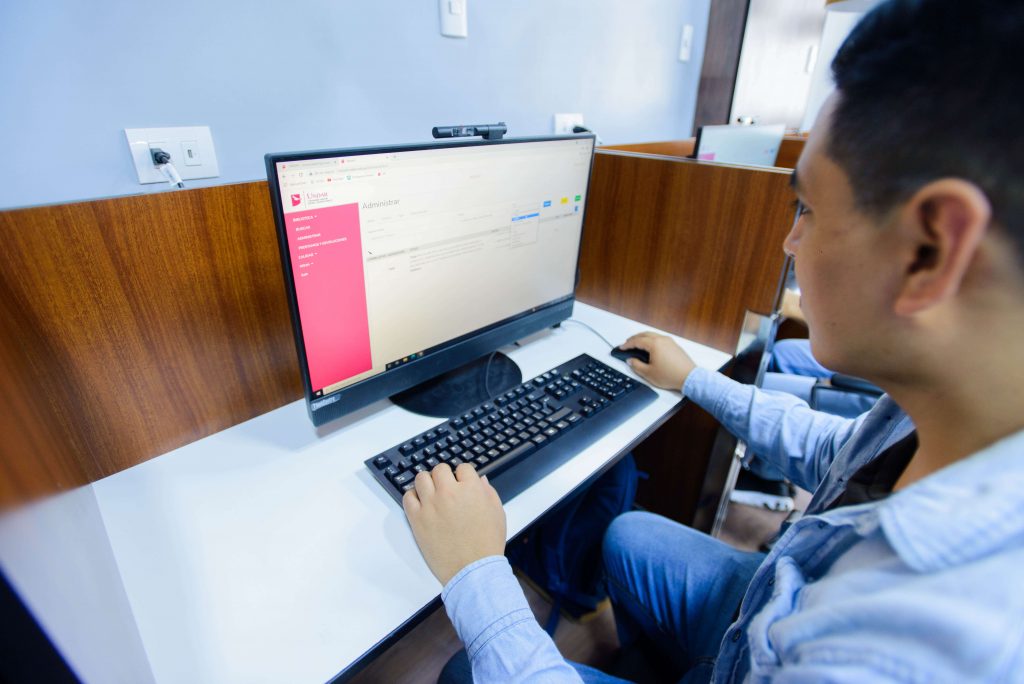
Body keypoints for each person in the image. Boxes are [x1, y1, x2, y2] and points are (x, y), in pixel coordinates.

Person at [402, 0, 1024, 680]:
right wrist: (695, 379)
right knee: (628, 533)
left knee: (467, 670)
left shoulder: (889, 652)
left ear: (930, 251)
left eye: (808, 210)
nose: (790, 240)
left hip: (765, 651)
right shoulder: (952, 408)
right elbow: (836, 453)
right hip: (761, 620)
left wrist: (475, 572)